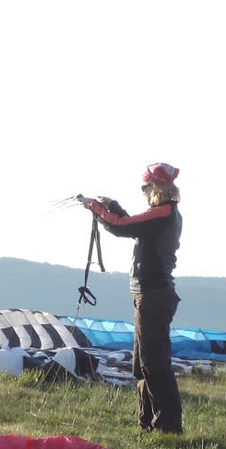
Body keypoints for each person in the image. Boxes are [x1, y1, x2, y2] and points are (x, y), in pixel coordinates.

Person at [78, 163, 183, 433]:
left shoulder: (163, 213)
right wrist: (112, 206)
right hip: (148, 296)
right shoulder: (162, 214)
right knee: (142, 364)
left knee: (154, 364)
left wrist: (95, 208)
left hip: (153, 296)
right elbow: (133, 225)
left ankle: (167, 427)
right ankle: (148, 423)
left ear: (155, 188)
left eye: (145, 187)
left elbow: (120, 227)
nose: (144, 191)